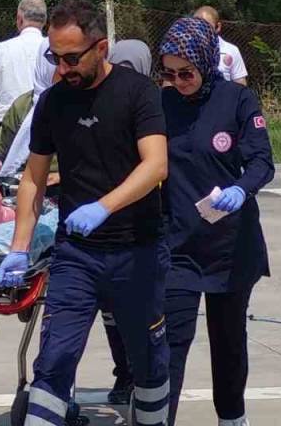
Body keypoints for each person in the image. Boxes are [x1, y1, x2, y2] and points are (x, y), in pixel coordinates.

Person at [0, 0, 171, 426]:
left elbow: (156, 165)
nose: (63, 68)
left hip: (138, 249)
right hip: (78, 256)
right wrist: (19, 247)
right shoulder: (54, 103)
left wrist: (103, 206)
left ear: (102, 48)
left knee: (148, 362)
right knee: (54, 360)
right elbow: (34, 179)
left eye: (73, 58)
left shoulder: (138, 94)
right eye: (55, 58)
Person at [158, 18, 275, 426]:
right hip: (179, 247)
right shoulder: (162, 104)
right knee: (170, 343)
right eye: (169, 73)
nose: (178, 81)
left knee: (228, 342)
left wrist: (241, 190)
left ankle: (231, 417)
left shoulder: (237, 101)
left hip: (231, 245)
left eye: (186, 72)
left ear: (207, 63)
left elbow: (262, 161)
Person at [100, 38, 155, 405]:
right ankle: (125, 374)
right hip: (103, 222)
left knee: (140, 314)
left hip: (141, 223)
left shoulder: (150, 102)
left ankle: (142, 375)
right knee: (110, 312)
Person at [0, 0, 47, 153]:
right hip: (45, 126)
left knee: (8, 176)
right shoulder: (52, 49)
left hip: (8, 127)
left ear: (19, 19)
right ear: (45, 21)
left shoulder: (1, 49)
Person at [194, 6, 247, 85]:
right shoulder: (184, 49)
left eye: (207, 26)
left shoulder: (231, 50)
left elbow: (240, 84)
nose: (201, 30)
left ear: (218, 27)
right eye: (197, 26)